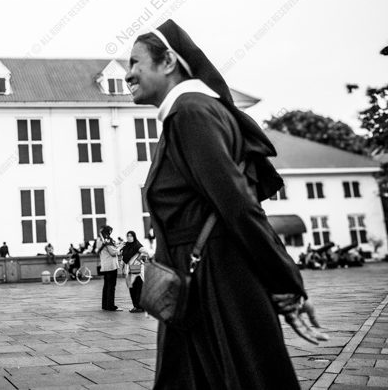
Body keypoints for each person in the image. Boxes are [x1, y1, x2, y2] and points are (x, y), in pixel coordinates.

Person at [127, 20, 326, 389]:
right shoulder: (190, 112)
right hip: (200, 285)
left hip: (217, 283)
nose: (128, 74)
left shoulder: (191, 113)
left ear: (168, 61)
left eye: (135, 62)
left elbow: (239, 206)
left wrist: (286, 283)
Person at [120, 231, 147, 313]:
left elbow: (145, 252)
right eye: (128, 236)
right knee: (131, 288)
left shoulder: (137, 245)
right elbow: (123, 257)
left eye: (131, 236)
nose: (129, 237)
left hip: (136, 268)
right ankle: (135, 306)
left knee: (138, 288)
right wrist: (122, 267)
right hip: (128, 269)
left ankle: (140, 306)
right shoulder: (126, 246)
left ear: (134, 237)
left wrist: (138, 260)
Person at [96, 225, 119, 311]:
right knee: (111, 287)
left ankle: (105, 305)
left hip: (105, 266)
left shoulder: (99, 240)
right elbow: (113, 252)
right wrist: (120, 249)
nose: (110, 233)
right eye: (110, 231)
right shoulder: (107, 240)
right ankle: (110, 305)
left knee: (106, 286)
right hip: (111, 266)